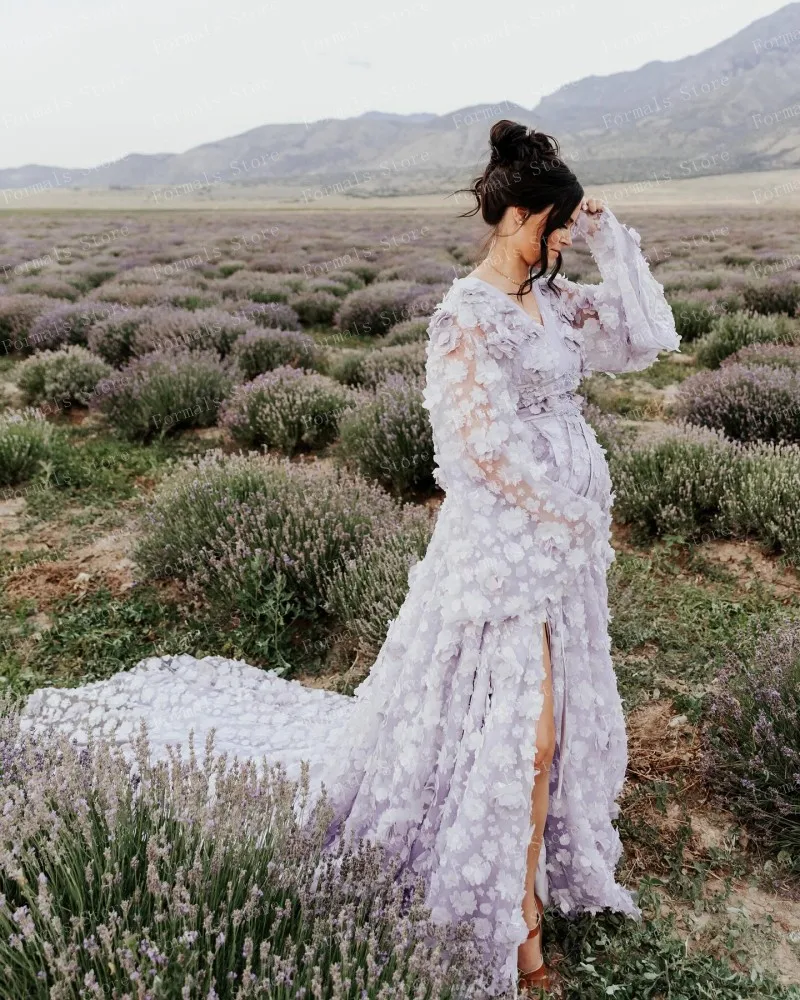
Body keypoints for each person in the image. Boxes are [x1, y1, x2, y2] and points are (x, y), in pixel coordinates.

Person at [19, 118, 682, 997]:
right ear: (518, 216)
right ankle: (516, 929)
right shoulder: (464, 317)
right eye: (556, 224)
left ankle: (524, 881)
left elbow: (645, 340)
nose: (563, 238)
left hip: (563, 552)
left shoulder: (557, 300)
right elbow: (475, 448)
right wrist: (565, 513)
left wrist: (606, 236)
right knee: (527, 737)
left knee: (545, 733)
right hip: (506, 551)